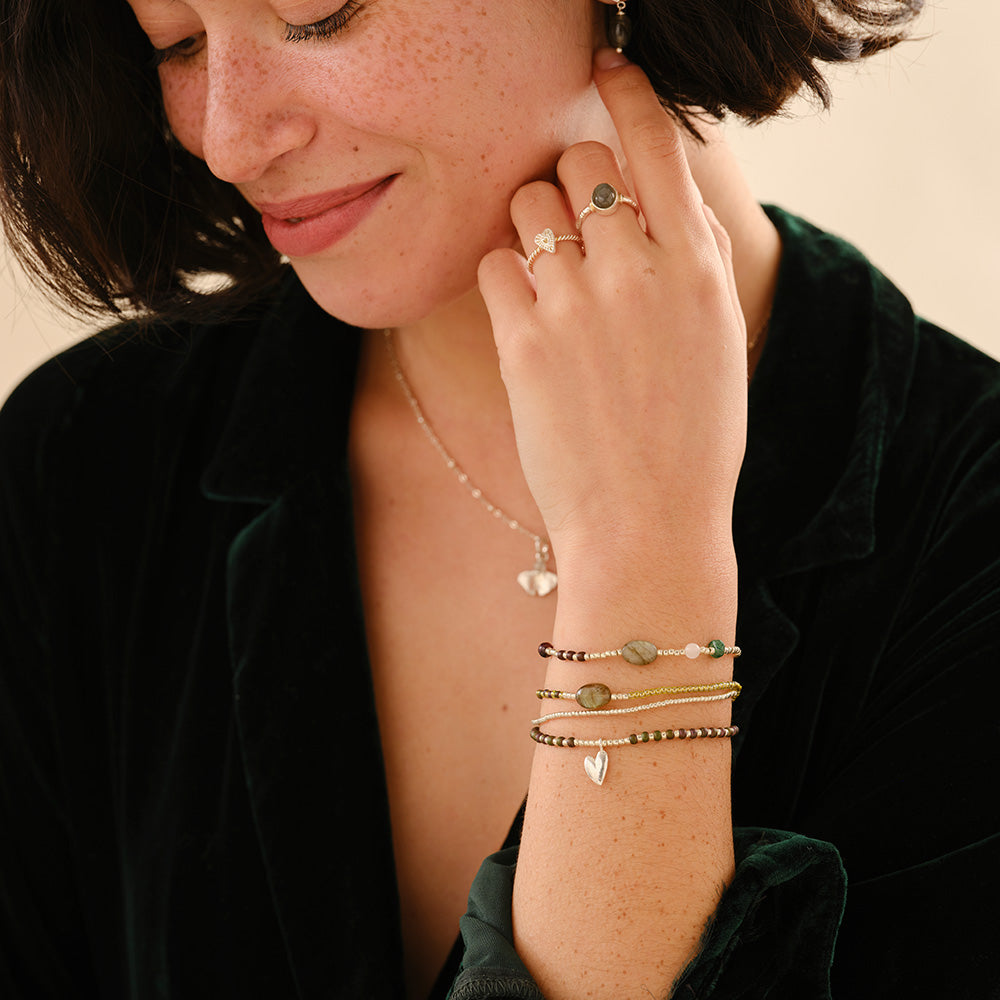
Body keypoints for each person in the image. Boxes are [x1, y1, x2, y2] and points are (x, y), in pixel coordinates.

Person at [1, 0, 998, 997]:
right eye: (176, 41)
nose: (227, 138)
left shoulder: (969, 537)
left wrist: (644, 555)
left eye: (318, 13)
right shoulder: (81, 461)